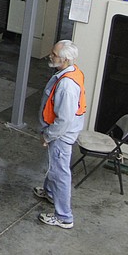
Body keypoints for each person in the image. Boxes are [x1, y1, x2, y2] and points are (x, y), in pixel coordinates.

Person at [33, 39, 86, 229]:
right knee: (54, 166)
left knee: (59, 172)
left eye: (54, 54)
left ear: (64, 59)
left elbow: (64, 120)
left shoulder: (67, 86)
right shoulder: (70, 72)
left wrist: (48, 136)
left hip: (61, 136)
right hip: (60, 133)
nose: (50, 55)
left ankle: (64, 217)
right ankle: (50, 192)